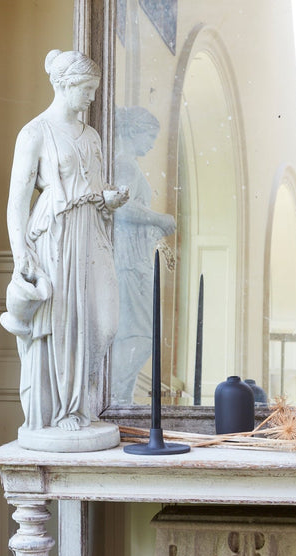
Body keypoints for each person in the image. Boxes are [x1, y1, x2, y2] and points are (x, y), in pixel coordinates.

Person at [2, 50, 128, 440]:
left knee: (103, 323)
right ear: (65, 85)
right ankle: (63, 411)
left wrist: (107, 200)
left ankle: (80, 402)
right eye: (86, 90)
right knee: (61, 322)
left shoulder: (91, 136)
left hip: (90, 232)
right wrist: (21, 254)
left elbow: (91, 188)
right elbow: (17, 202)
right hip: (54, 236)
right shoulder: (35, 133)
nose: (91, 98)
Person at [110, 106, 176, 404]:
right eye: (149, 136)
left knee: (139, 333)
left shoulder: (127, 164)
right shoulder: (125, 165)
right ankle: (118, 397)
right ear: (133, 131)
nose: (151, 144)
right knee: (139, 334)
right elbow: (120, 207)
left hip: (134, 257)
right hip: (129, 261)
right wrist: (158, 219)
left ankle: (120, 396)